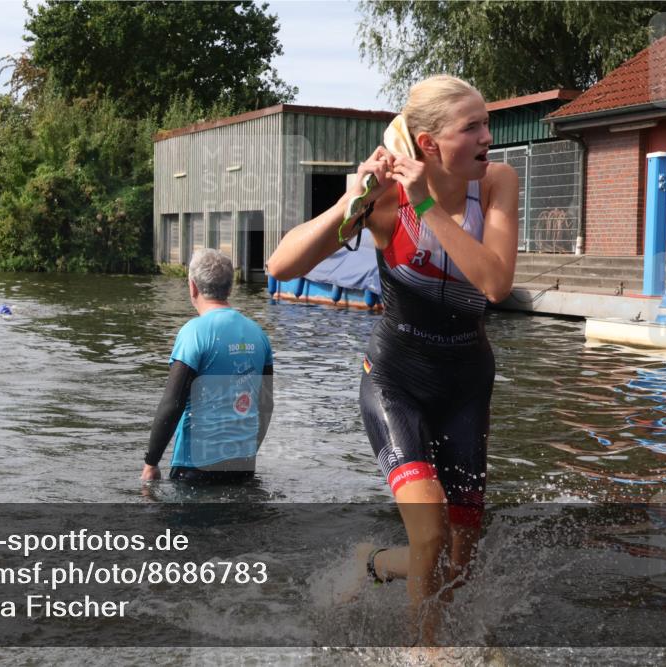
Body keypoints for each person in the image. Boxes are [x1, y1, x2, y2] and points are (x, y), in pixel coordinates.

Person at [267, 75, 518, 642]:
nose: (488, 137)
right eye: (472, 127)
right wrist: (351, 202)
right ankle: (423, 651)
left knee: (460, 559)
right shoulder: (385, 201)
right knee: (429, 533)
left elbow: (496, 283)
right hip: (396, 381)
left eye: (487, 122)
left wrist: (429, 205)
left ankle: (374, 563)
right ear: (429, 144)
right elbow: (281, 268)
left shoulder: (497, 183)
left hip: (467, 384)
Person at [141, 249, 274, 484]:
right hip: (243, 466)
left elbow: (172, 404)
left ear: (192, 287)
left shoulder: (194, 333)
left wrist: (151, 463)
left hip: (195, 467)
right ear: (230, 288)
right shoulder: (258, 334)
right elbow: (266, 404)